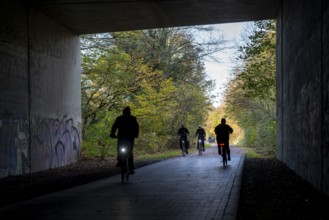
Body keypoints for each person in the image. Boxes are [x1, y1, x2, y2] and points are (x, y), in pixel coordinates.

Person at [110, 106, 139, 174]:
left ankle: (120, 162)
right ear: (130, 112)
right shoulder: (133, 118)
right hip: (130, 139)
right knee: (129, 153)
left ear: (123, 112)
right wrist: (135, 135)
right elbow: (136, 128)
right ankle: (131, 168)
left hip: (122, 138)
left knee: (120, 150)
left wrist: (112, 134)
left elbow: (114, 127)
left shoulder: (119, 118)